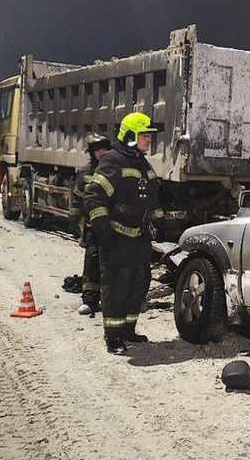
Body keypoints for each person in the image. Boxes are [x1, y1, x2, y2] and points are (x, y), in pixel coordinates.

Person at [83, 112, 164, 355]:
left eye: (149, 136)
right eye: (144, 135)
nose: (148, 140)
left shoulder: (140, 161)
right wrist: (104, 231)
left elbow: (151, 198)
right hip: (118, 238)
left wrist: (160, 224)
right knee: (117, 287)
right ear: (130, 136)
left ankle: (128, 329)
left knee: (139, 284)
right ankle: (113, 337)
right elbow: (94, 196)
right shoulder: (113, 159)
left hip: (139, 238)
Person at [70, 132, 112, 316]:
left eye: (104, 148)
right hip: (92, 228)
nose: (101, 152)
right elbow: (77, 199)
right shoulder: (86, 174)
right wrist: (73, 220)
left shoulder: (114, 171)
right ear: (92, 152)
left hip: (112, 228)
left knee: (112, 264)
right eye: (97, 149)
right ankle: (89, 300)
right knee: (92, 262)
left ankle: (110, 299)